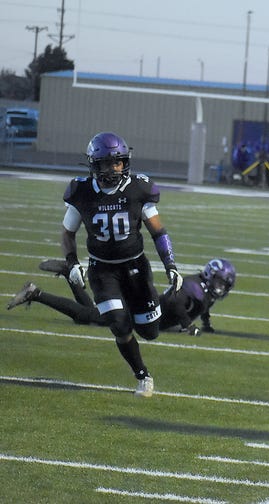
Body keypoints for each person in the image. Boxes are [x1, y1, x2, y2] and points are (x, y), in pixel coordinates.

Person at [59, 131, 184, 397]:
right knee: (118, 323)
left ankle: (134, 307)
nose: (114, 167)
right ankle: (143, 376)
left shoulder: (138, 188)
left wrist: (171, 264)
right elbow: (68, 233)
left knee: (150, 331)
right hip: (102, 270)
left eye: (118, 162)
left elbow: (158, 232)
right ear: (95, 164)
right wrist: (71, 263)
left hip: (136, 268)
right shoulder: (81, 192)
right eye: (108, 162)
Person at [7, 258, 236, 336]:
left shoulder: (203, 291)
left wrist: (206, 323)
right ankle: (35, 293)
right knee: (88, 316)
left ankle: (70, 274)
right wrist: (188, 326)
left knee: (94, 315)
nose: (220, 288)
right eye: (218, 282)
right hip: (142, 311)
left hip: (144, 308)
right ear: (209, 275)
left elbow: (204, 305)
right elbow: (177, 304)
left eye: (224, 285)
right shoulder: (194, 286)